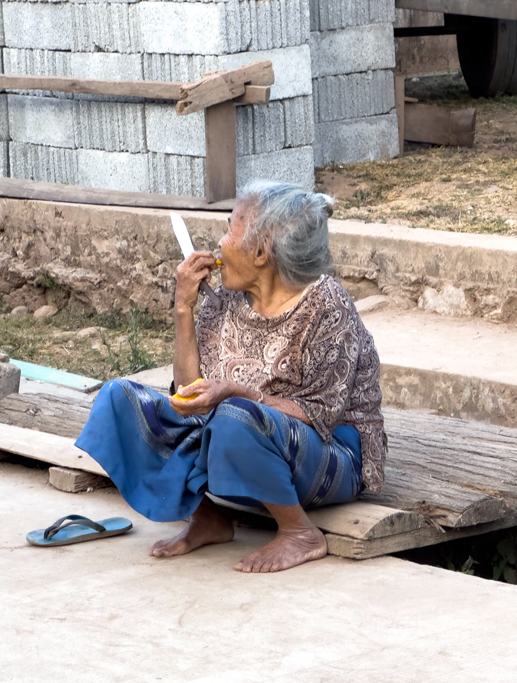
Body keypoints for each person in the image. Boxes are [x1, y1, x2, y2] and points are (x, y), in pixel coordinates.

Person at [76, 181, 386, 573]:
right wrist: (184, 309)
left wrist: (235, 394)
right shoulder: (225, 299)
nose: (219, 244)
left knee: (234, 417)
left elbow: (318, 415)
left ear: (260, 251)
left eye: (229, 229)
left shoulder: (327, 305)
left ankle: (299, 532)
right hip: (235, 444)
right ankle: (207, 517)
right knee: (118, 398)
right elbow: (190, 396)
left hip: (325, 460)